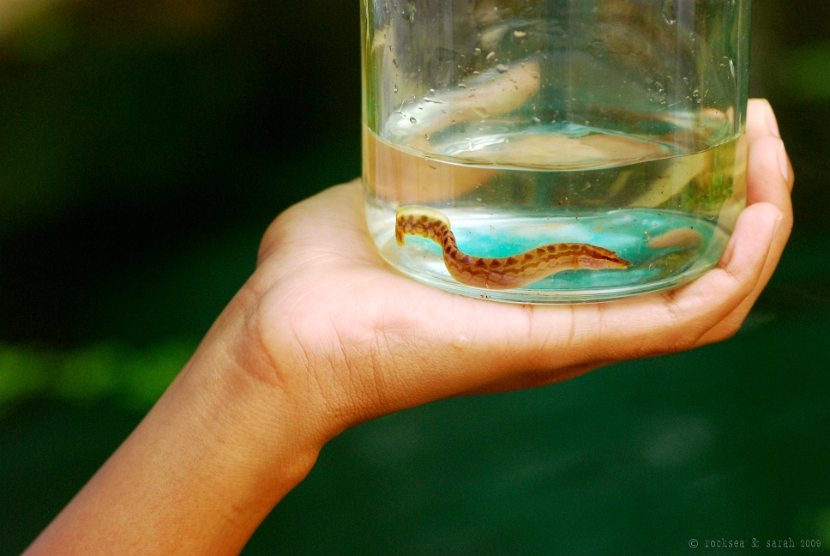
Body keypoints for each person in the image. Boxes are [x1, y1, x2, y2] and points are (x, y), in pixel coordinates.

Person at [24, 100, 793, 555]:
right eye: (587, 257)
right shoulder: (456, 245)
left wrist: (264, 366)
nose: (582, 260)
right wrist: (268, 361)